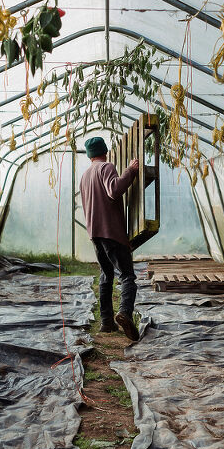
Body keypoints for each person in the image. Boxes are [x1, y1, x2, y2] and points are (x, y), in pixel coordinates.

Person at [79, 136, 140, 341]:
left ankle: (106, 323)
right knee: (127, 276)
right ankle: (125, 313)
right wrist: (130, 171)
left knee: (106, 275)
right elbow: (114, 190)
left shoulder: (85, 175)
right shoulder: (106, 167)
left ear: (89, 156)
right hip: (111, 232)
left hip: (94, 233)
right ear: (105, 151)